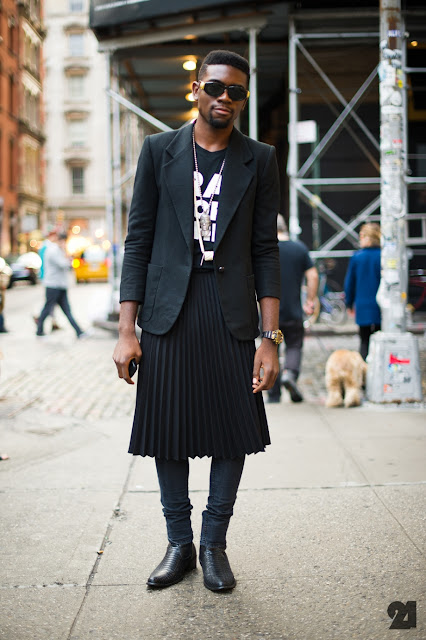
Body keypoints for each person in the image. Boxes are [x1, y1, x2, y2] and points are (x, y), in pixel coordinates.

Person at [113, 50, 282, 592]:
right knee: (169, 431)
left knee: (234, 430)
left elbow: (265, 251)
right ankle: (179, 543)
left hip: (230, 310)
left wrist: (270, 336)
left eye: (236, 91)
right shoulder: (159, 151)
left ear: (243, 98)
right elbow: (138, 241)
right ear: (196, 88)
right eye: (215, 87)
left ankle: (213, 544)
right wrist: (125, 330)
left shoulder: (259, 158)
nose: (224, 98)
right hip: (170, 312)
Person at [268, 215, 319, 404]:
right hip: (293, 312)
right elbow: (313, 276)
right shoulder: (299, 249)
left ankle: (274, 395)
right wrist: (310, 301)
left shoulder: (268, 251)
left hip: (270, 314)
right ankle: (290, 374)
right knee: (294, 345)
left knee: (272, 348)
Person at [36, 232, 84, 338]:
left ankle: (79, 331)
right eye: (63, 241)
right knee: (48, 308)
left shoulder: (57, 250)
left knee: (65, 309)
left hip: (59, 285)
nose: (64, 243)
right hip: (53, 285)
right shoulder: (53, 250)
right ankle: (39, 330)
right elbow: (64, 264)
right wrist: (70, 260)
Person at [344, 222, 381, 360]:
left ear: (367, 237)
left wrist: (349, 303)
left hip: (363, 305)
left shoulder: (357, 257)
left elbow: (350, 283)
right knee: (380, 338)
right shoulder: (383, 256)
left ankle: (364, 374)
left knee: (364, 341)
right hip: (379, 306)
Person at [34, 229, 61, 331]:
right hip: (49, 279)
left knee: (51, 303)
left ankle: (53, 322)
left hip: (50, 279)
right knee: (49, 303)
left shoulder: (47, 246)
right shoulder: (47, 247)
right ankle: (39, 318)